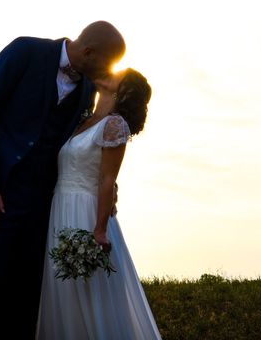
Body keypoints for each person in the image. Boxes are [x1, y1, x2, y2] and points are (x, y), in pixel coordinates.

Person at [0, 21, 125, 339]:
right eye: (105, 63)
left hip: (46, 201)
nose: (106, 72)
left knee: (30, 292)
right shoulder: (24, 51)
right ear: (88, 52)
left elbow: (76, 140)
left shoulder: (88, 88)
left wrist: (105, 179)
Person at [37, 67, 162, 339]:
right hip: (60, 207)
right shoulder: (84, 119)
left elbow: (107, 179)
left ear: (124, 90)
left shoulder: (114, 124)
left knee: (92, 293)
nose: (108, 72)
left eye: (117, 73)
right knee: (65, 292)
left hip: (87, 212)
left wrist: (100, 229)